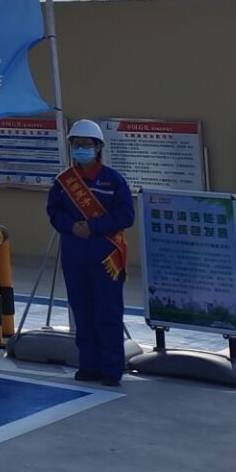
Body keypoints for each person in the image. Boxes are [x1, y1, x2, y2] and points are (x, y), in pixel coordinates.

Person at [46, 118, 136, 386]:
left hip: (105, 256)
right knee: (82, 311)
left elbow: (126, 215)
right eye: (77, 144)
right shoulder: (64, 182)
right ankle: (88, 365)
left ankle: (110, 369)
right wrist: (72, 227)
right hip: (74, 254)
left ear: (98, 147)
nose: (81, 149)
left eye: (86, 144)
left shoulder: (112, 180)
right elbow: (53, 212)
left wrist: (93, 226)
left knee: (107, 312)